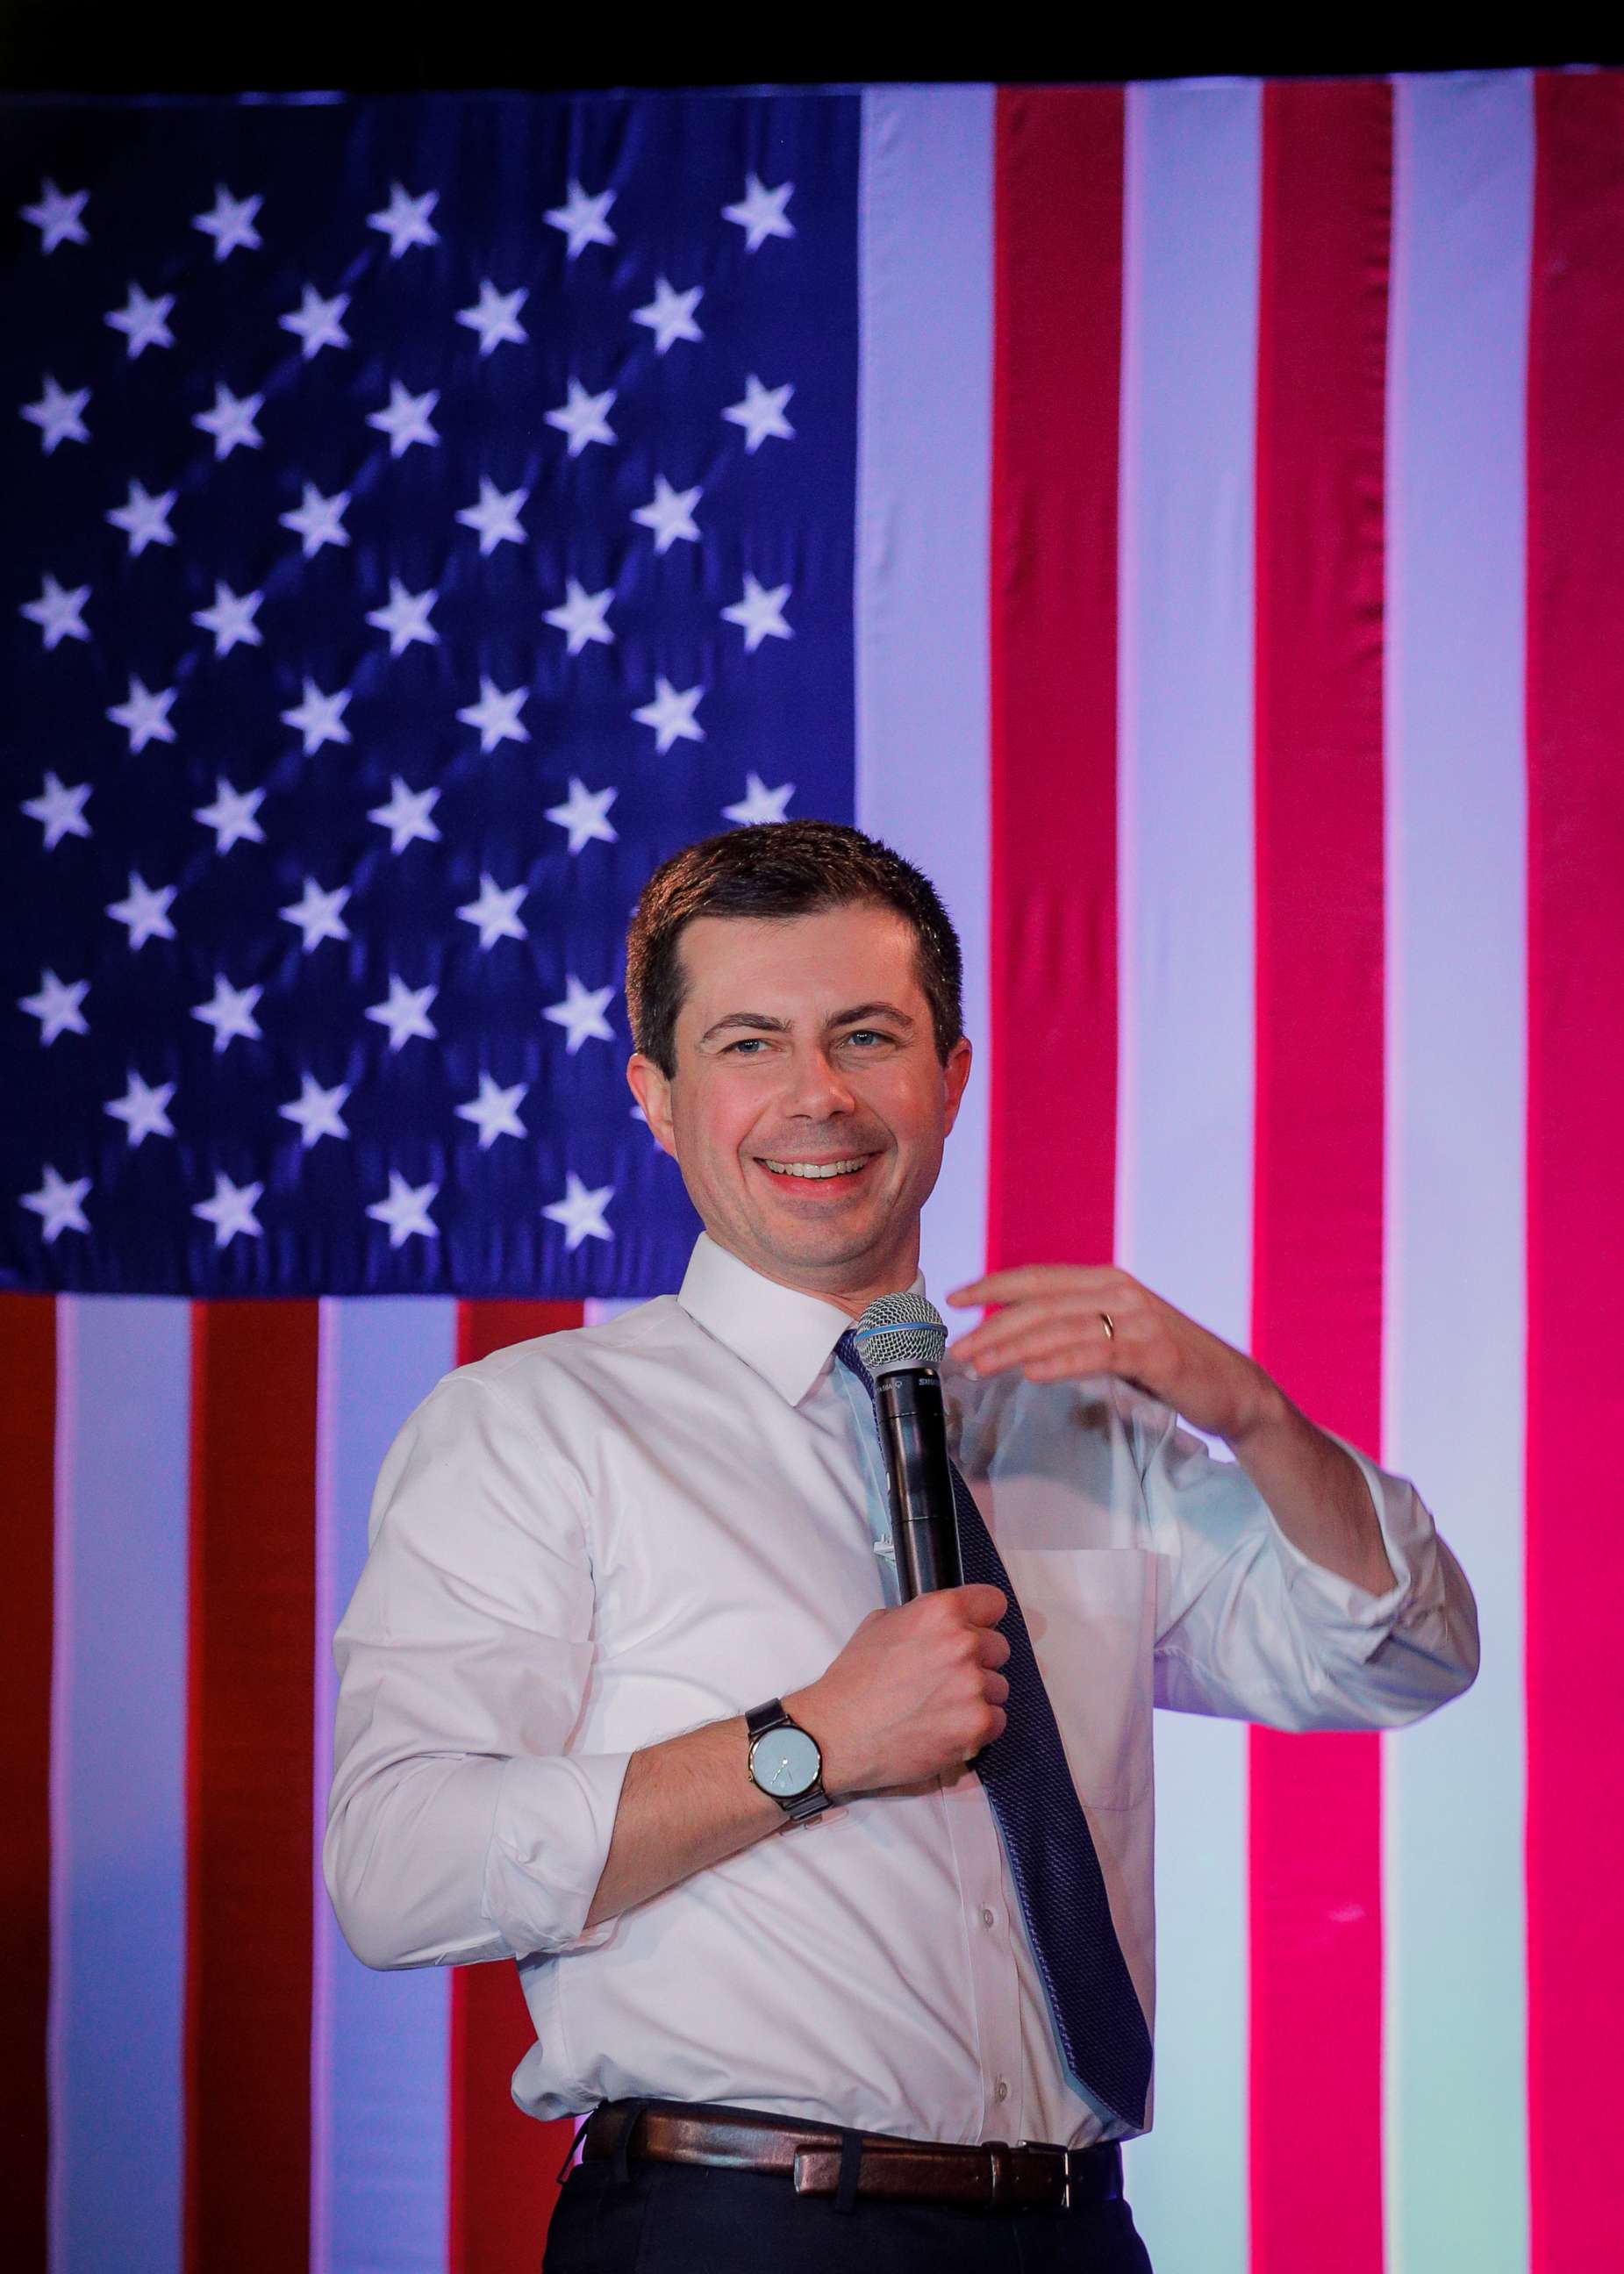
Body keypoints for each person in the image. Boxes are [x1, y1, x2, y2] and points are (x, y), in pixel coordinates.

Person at [325, 820, 1478, 2274]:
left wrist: (1250, 1413)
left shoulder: (1076, 1423)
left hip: (1072, 2230)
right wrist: (803, 1745)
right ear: (659, 1099)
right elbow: (396, 1868)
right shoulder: (534, 1430)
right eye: (750, 1043)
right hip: (735, 2228)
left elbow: (1403, 1655)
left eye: (866, 1037)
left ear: (951, 1077)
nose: (818, 1097)